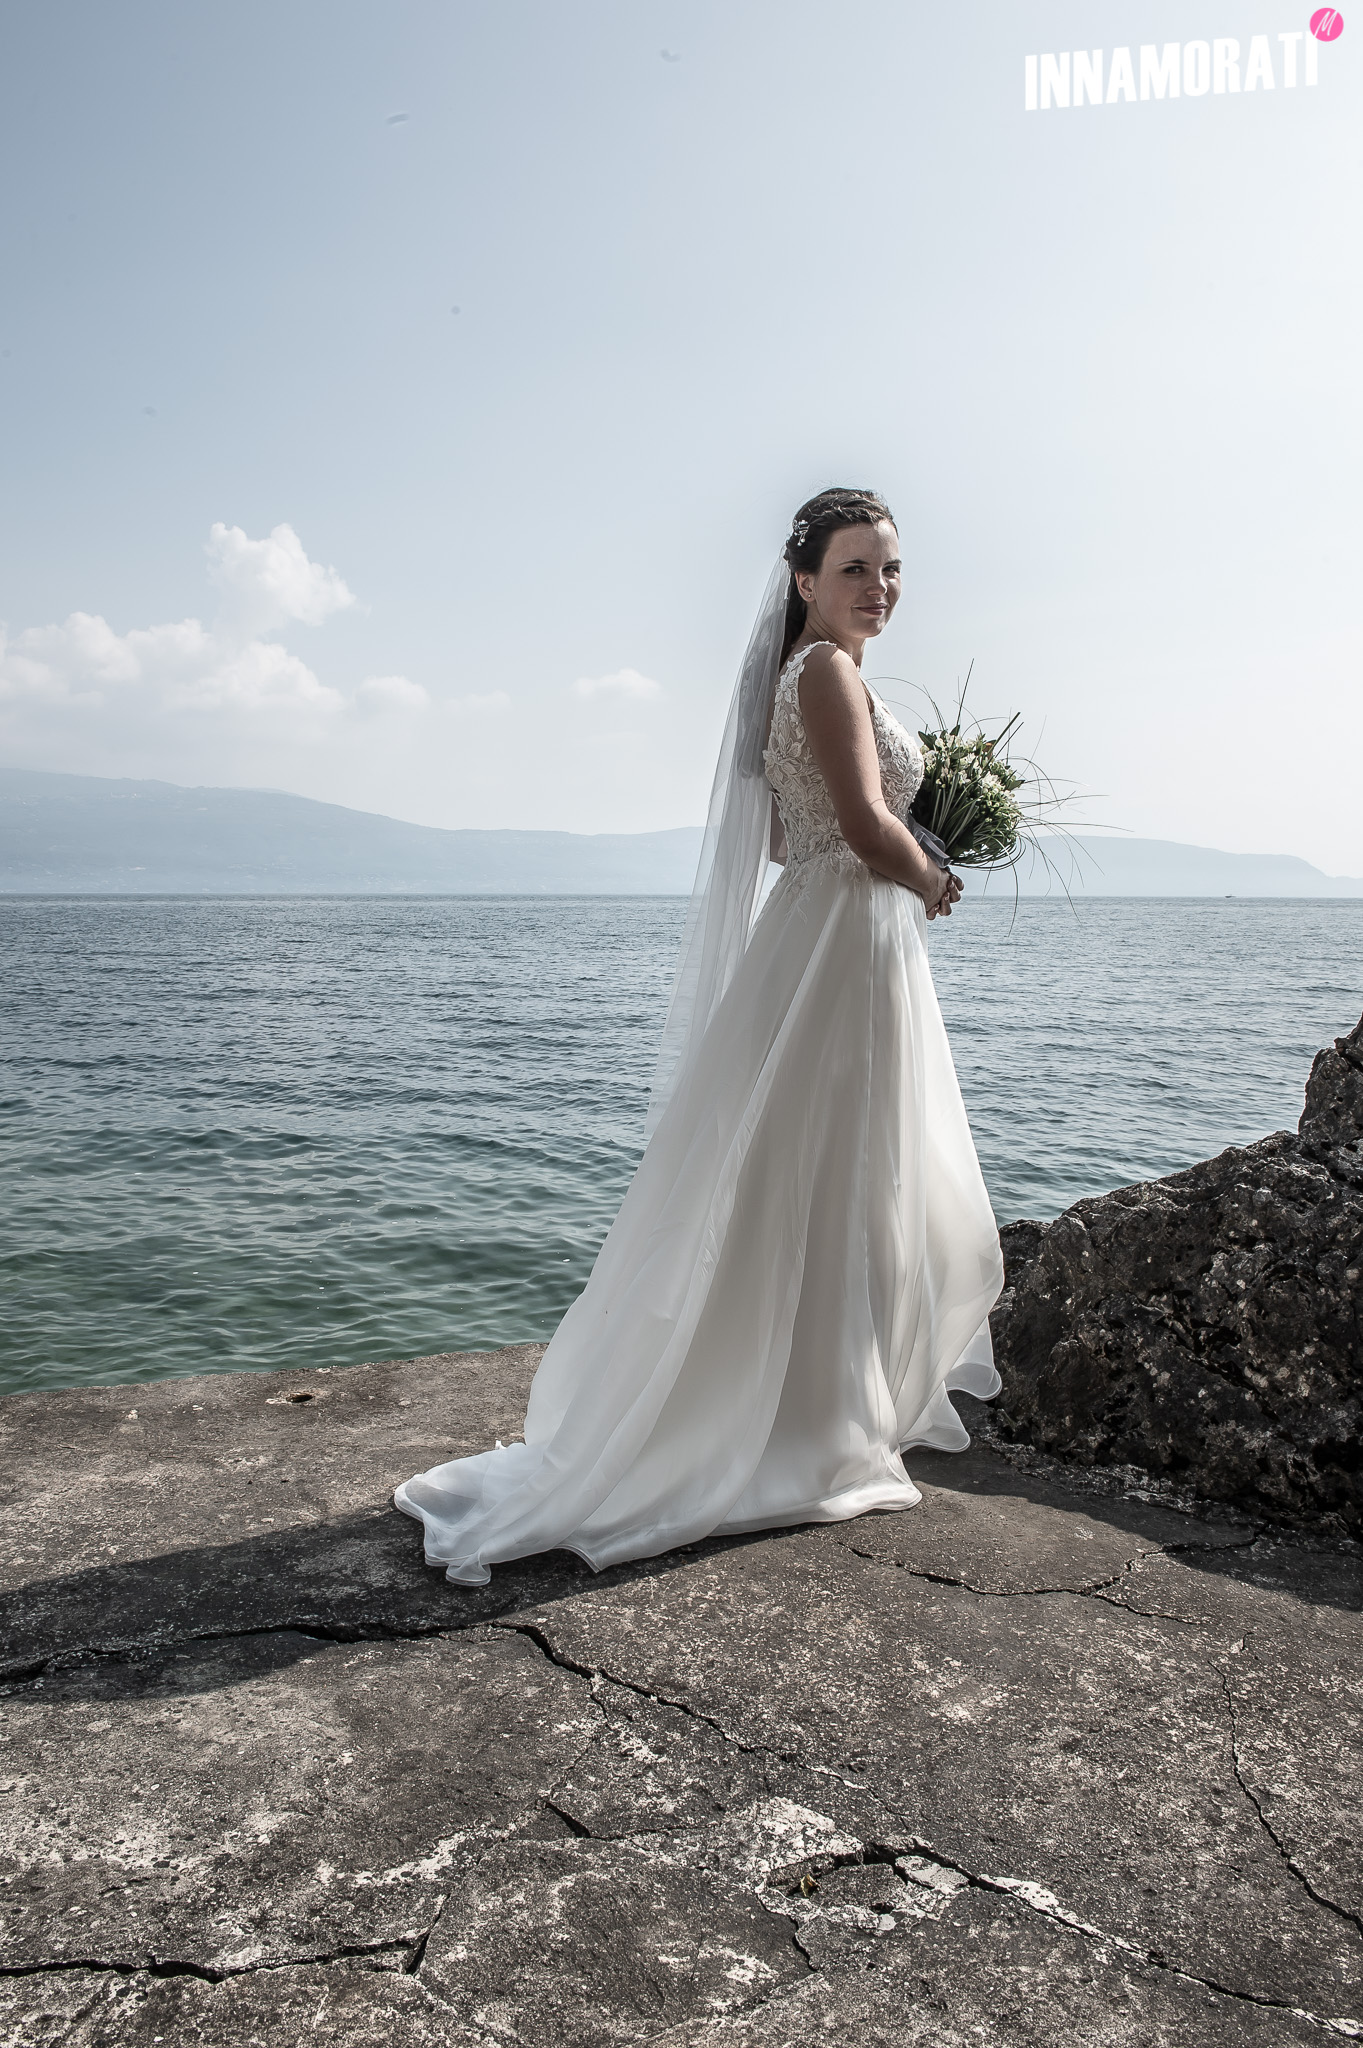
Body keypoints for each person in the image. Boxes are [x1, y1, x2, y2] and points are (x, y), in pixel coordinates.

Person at [395, 487, 1004, 1585]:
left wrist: (885, 860)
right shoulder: (822, 670)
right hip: (846, 937)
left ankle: (815, 1398)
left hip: (832, 932)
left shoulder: (819, 675)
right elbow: (860, 825)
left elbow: (784, 832)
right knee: (836, 1165)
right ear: (805, 578)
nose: (880, 587)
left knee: (824, 1163)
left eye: (893, 569)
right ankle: (799, 1417)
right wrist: (932, 872)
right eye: (857, 567)